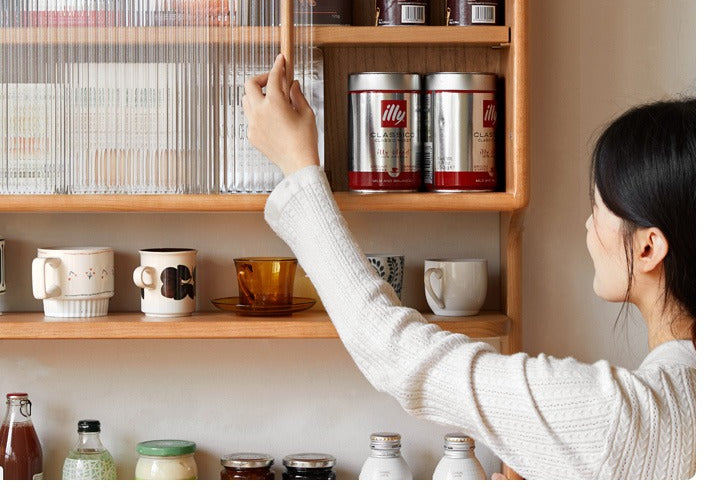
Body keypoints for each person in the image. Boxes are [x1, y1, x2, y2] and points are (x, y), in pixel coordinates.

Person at [242, 54, 696, 480]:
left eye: (598, 207)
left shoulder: (622, 419)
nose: (587, 225)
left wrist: (299, 167)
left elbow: (395, 353)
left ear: (648, 248)